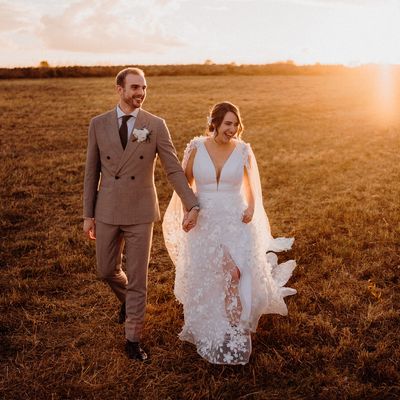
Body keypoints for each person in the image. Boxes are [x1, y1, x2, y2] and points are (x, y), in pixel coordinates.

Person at [162, 101, 296, 365]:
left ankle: (235, 327)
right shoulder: (197, 147)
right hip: (206, 220)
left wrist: (252, 209)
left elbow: (251, 189)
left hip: (235, 219)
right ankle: (214, 323)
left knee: (237, 273)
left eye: (235, 124)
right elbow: (186, 184)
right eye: (227, 124)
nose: (232, 129)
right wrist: (191, 211)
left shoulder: (244, 150)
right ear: (215, 123)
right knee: (221, 272)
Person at [83, 67, 199, 361]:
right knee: (106, 270)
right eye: (135, 87)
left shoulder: (155, 125)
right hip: (107, 209)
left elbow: (172, 168)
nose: (140, 93)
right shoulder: (98, 124)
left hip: (140, 212)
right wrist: (88, 214)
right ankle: (128, 301)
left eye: (144, 88)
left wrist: (191, 202)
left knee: (138, 279)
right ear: (119, 89)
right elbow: (91, 172)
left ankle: (133, 339)